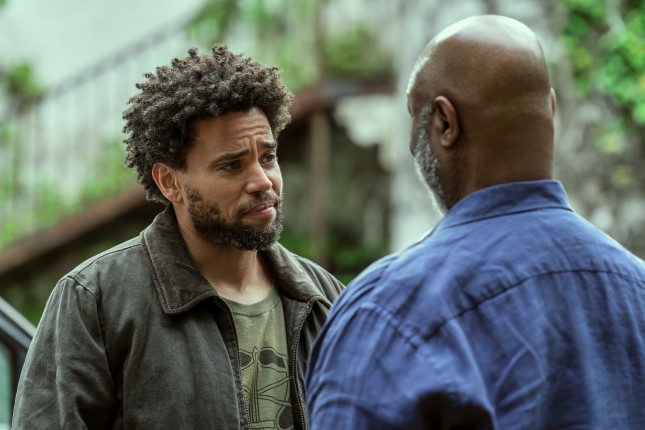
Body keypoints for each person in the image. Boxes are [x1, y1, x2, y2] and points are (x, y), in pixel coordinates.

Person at [306, 15, 645, 429]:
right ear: (551, 109)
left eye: (413, 116)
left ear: (445, 123)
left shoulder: (388, 313)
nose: (411, 143)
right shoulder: (636, 287)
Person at [13, 45, 344, 429]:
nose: (262, 181)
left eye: (267, 158)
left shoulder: (326, 299)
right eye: (232, 165)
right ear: (170, 182)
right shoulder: (96, 301)